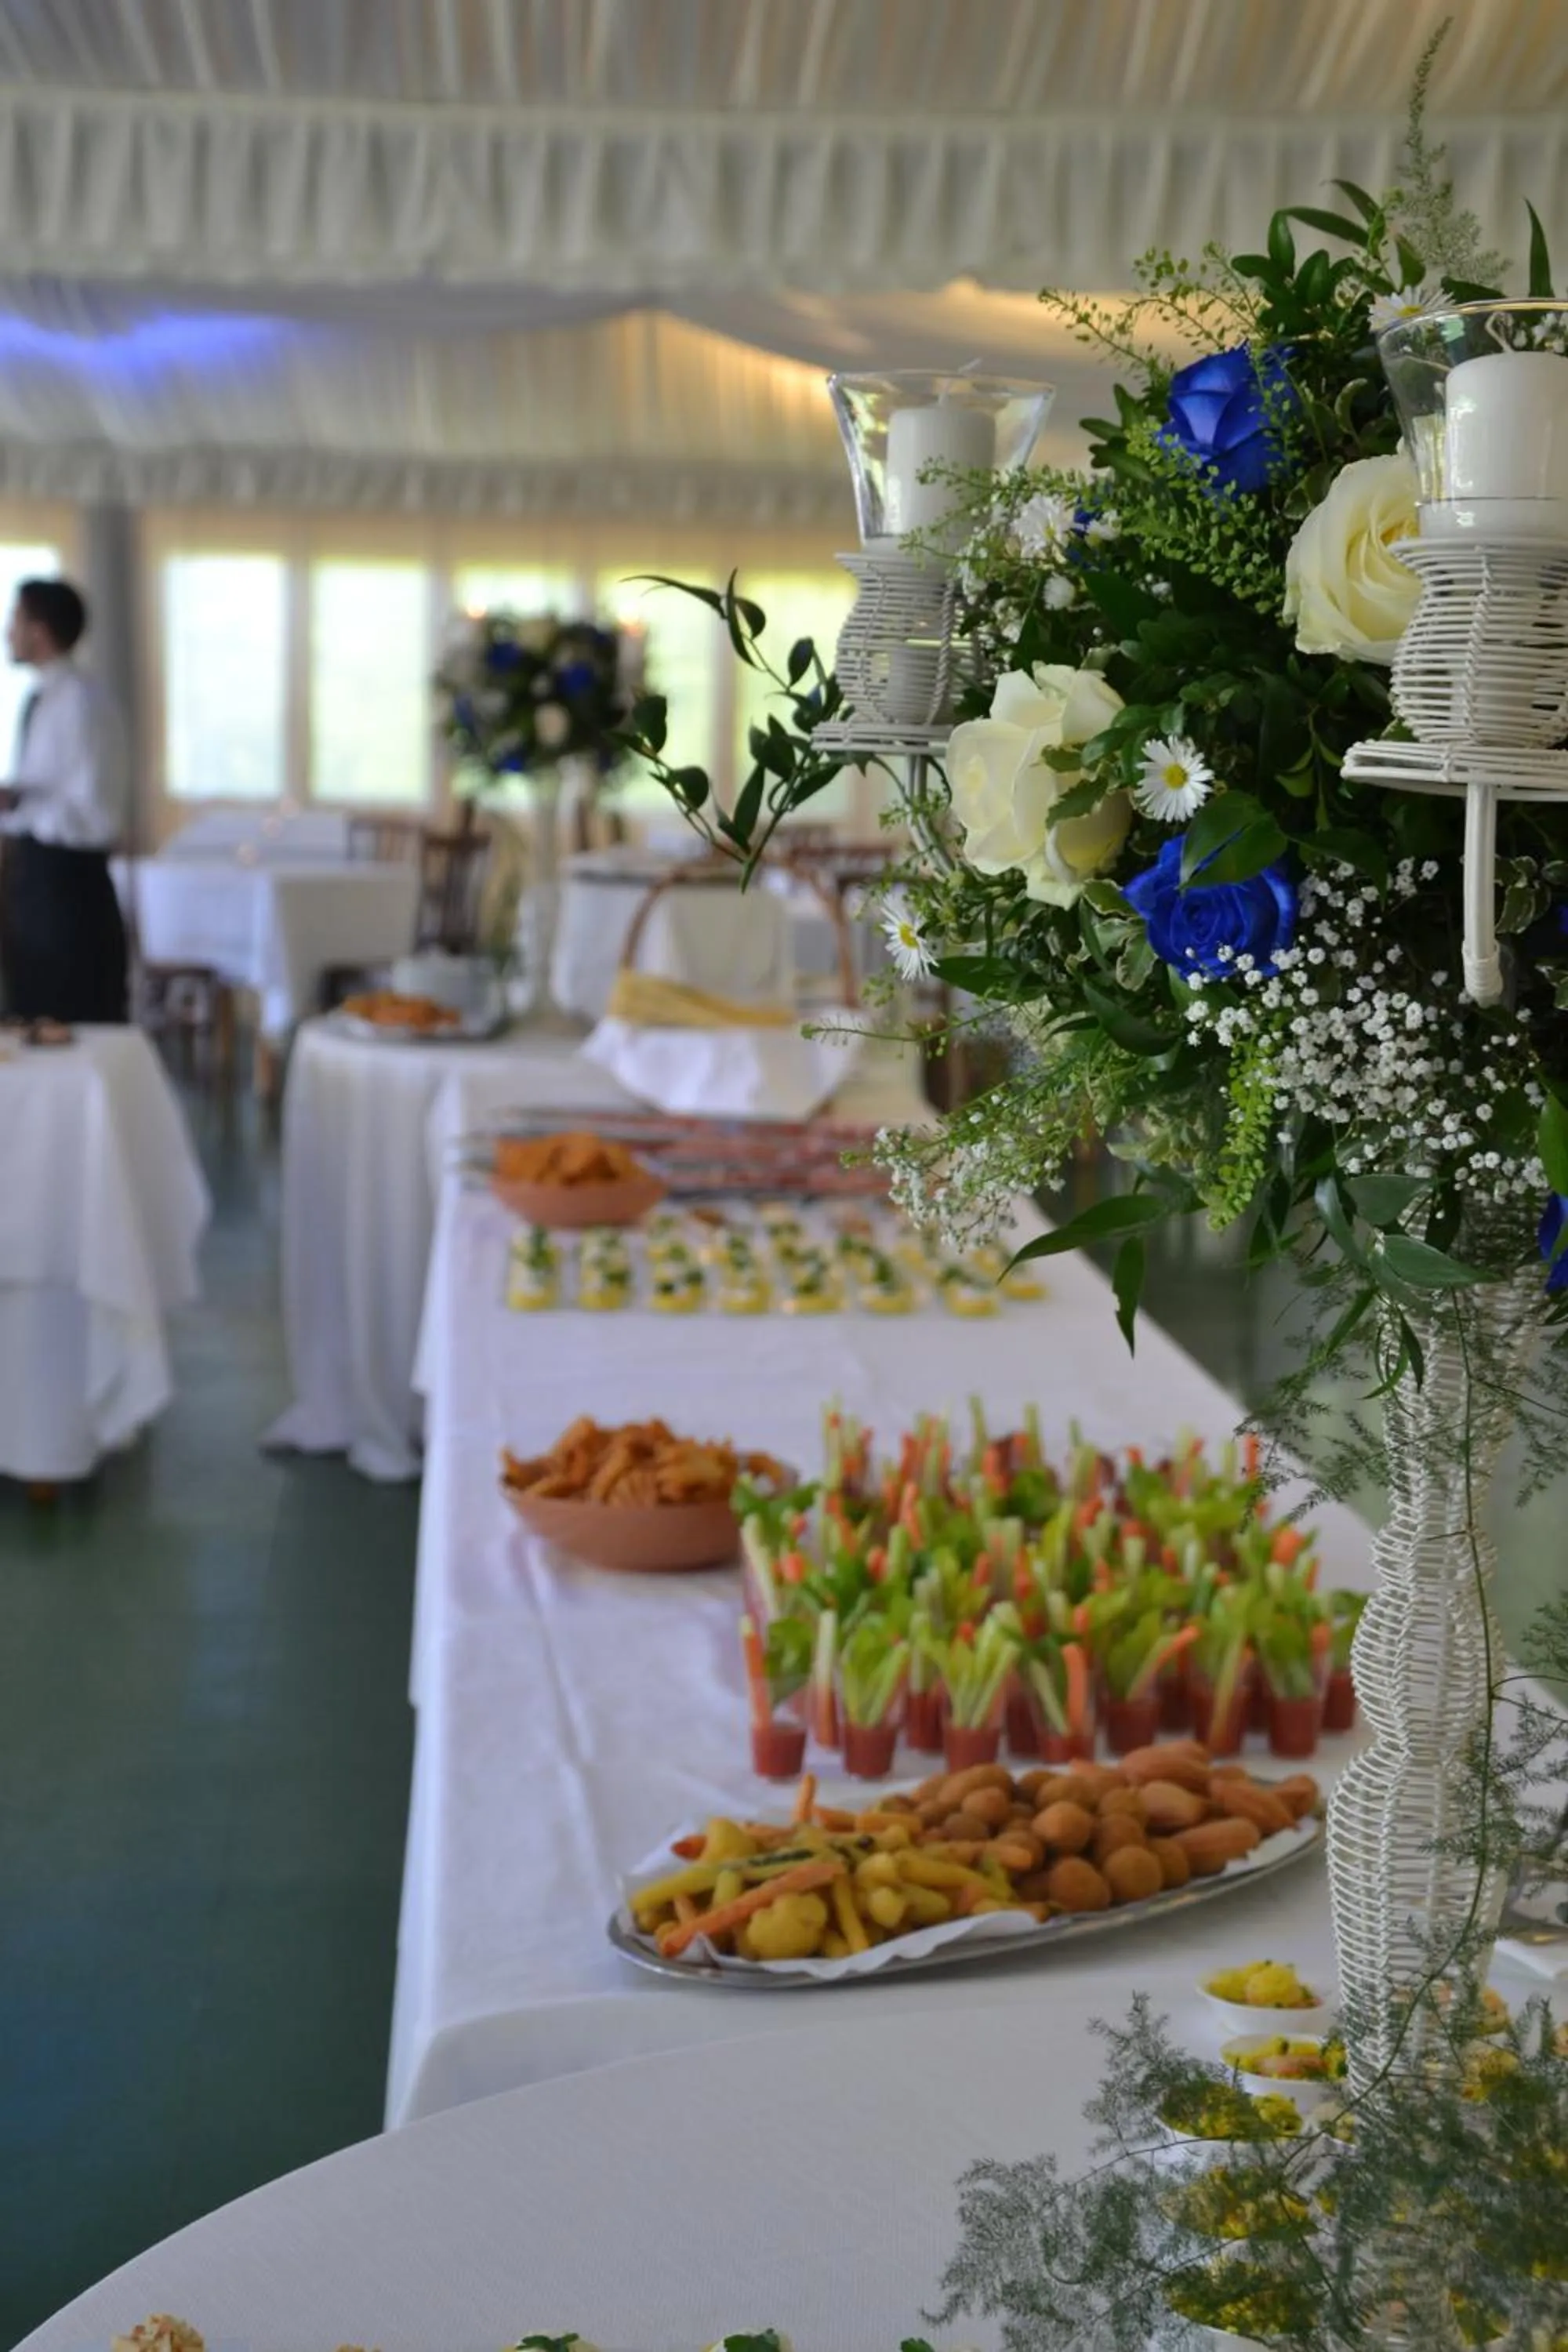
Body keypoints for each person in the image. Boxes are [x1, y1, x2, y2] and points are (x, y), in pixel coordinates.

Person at [0, 576, 129, 1022]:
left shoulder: (83, 702)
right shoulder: (43, 699)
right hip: (35, 885)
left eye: (15, 619)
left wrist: (19, 804)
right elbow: (50, 787)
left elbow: (97, 815)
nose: (7, 631)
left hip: (69, 891)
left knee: (74, 1025)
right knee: (34, 1023)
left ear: (40, 630)